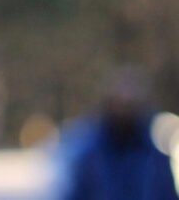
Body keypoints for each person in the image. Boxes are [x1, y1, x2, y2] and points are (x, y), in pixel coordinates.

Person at [56, 67, 179, 200]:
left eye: (129, 105)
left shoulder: (155, 160)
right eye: (119, 104)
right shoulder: (90, 158)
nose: (123, 111)